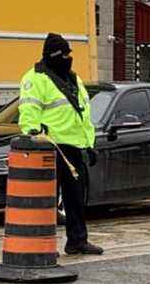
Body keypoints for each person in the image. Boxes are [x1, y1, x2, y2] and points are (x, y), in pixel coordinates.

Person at [18, 33, 103, 255]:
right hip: (51, 146)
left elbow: (83, 114)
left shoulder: (73, 79)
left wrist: (88, 144)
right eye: (64, 54)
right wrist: (34, 134)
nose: (68, 58)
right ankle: (43, 245)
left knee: (76, 197)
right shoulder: (35, 78)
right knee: (46, 200)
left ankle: (77, 240)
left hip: (74, 149)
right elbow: (29, 109)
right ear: (54, 55)